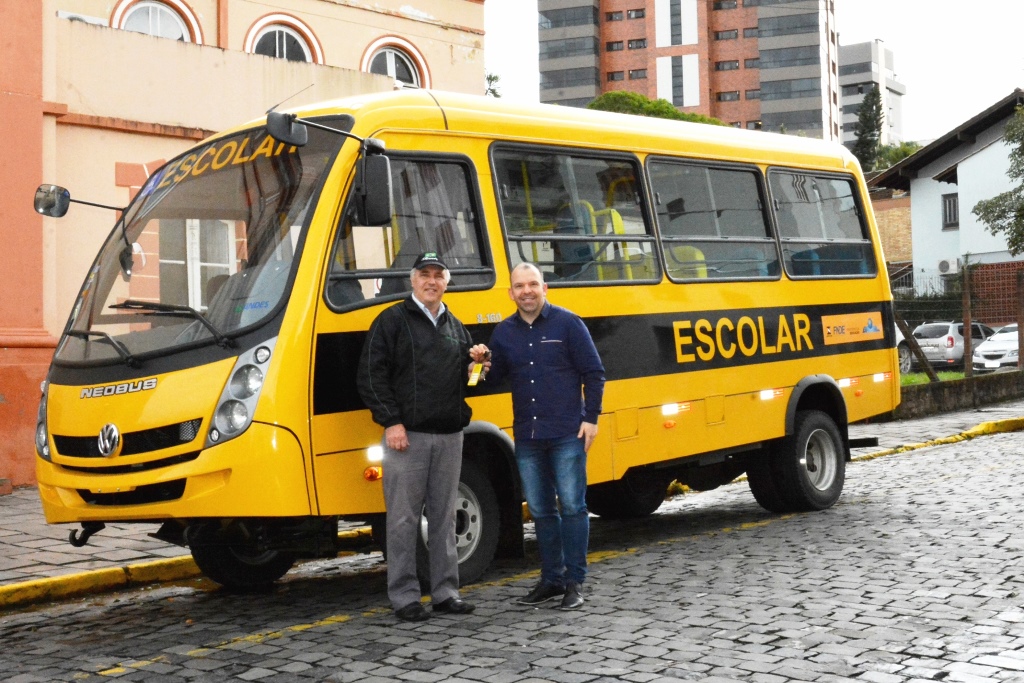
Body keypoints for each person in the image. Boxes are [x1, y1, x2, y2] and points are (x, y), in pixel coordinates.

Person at [357, 252, 486, 622]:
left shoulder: (456, 326)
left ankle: (446, 592)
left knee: (444, 517)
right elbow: (370, 376)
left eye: (438, 276)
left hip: (449, 435)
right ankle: (404, 597)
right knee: (402, 520)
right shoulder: (392, 321)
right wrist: (391, 422)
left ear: (447, 283)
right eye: (425, 275)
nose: (432, 281)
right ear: (412, 280)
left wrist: (478, 365)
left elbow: (469, 383)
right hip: (407, 437)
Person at [476, 262, 605, 610]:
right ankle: (551, 579)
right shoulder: (503, 332)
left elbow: (594, 373)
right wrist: (480, 365)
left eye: (533, 284)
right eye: (519, 286)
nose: (527, 291)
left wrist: (590, 419)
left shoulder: (568, 323)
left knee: (574, 506)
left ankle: (574, 582)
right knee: (540, 510)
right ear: (511, 293)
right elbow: (495, 376)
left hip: (566, 431)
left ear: (544, 288)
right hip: (529, 436)